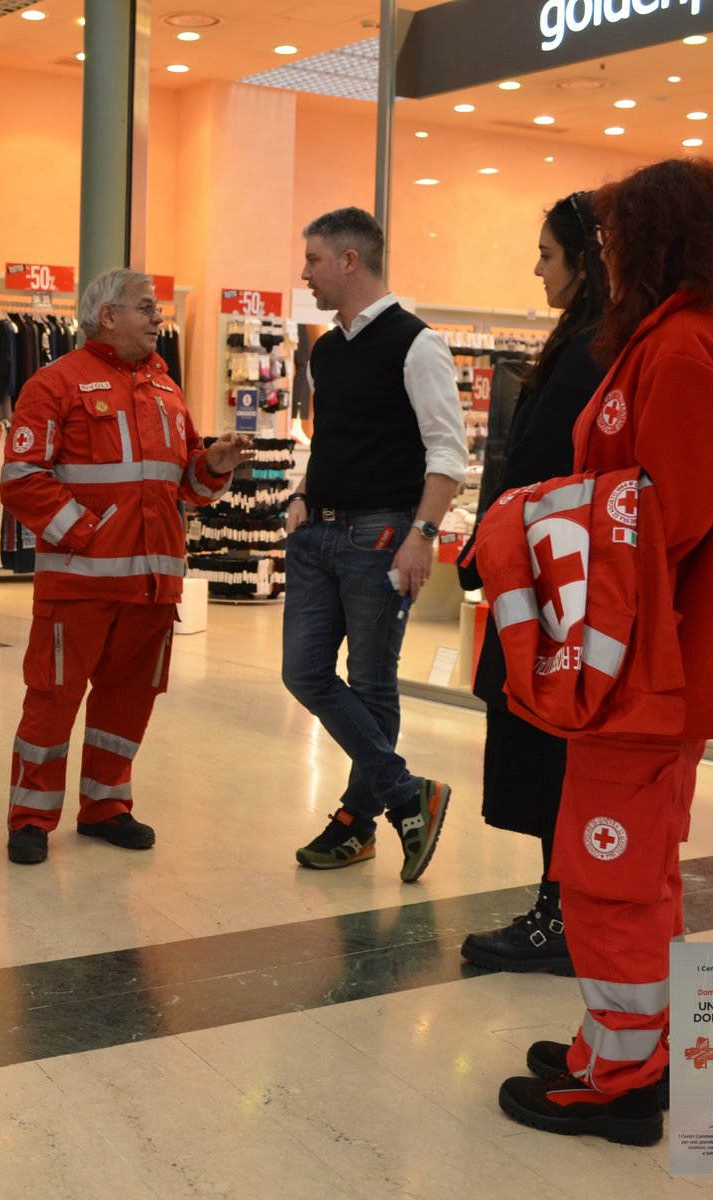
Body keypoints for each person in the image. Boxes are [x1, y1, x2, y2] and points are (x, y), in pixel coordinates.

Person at [489, 158, 713, 1145]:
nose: (601, 253)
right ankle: (626, 1040)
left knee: (609, 877)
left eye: (613, 237)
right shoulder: (666, 342)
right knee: (630, 872)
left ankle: (621, 1077)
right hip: (634, 667)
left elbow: (668, 517)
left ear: (655, 241)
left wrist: (529, 515)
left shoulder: (682, 353)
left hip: (643, 673)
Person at [1, 268, 254, 865]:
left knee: (128, 701)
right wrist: (85, 534)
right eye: (145, 307)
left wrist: (212, 464)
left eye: (156, 307)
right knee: (52, 699)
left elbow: (184, 486)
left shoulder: (166, 388)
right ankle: (31, 818)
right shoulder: (53, 383)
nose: (157, 317)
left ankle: (106, 806)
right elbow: (21, 479)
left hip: (152, 587)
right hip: (80, 584)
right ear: (107, 315)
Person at [283, 206, 466, 882]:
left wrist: (422, 535)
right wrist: (303, 496)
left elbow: (449, 451)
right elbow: (329, 438)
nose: (306, 274)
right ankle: (405, 793)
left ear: (350, 261)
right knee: (302, 672)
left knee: (369, 680)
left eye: (314, 260)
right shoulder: (326, 350)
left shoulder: (416, 343)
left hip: (382, 535)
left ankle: (356, 824)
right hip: (319, 533)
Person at [458, 192, 608, 974]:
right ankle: (561, 906)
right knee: (551, 750)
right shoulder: (587, 341)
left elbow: (548, 470)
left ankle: (561, 914)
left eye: (548, 254)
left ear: (585, 262)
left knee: (554, 750)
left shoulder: (593, 349)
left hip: (563, 588)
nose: (538, 267)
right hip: (560, 580)